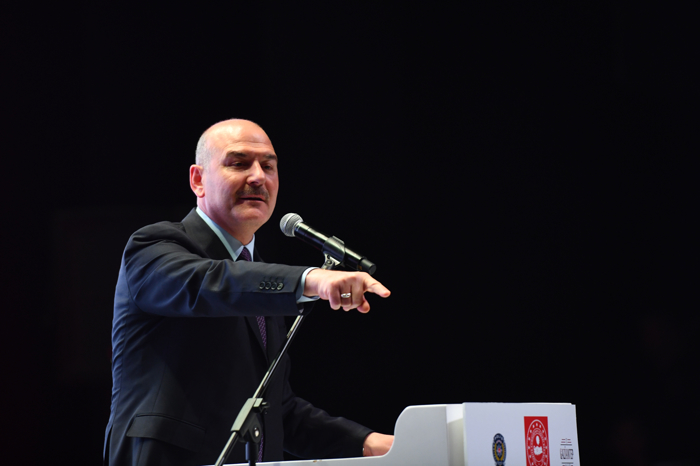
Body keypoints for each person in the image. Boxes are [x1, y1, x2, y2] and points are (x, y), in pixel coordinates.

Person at [104, 119, 393, 466]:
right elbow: (209, 283)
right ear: (198, 180)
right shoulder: (153, 246)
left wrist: (370, 444)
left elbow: (278, 411)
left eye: (268, 167)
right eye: (239, 163)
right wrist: (309, 279)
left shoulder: (263, 282)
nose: (258, 177)